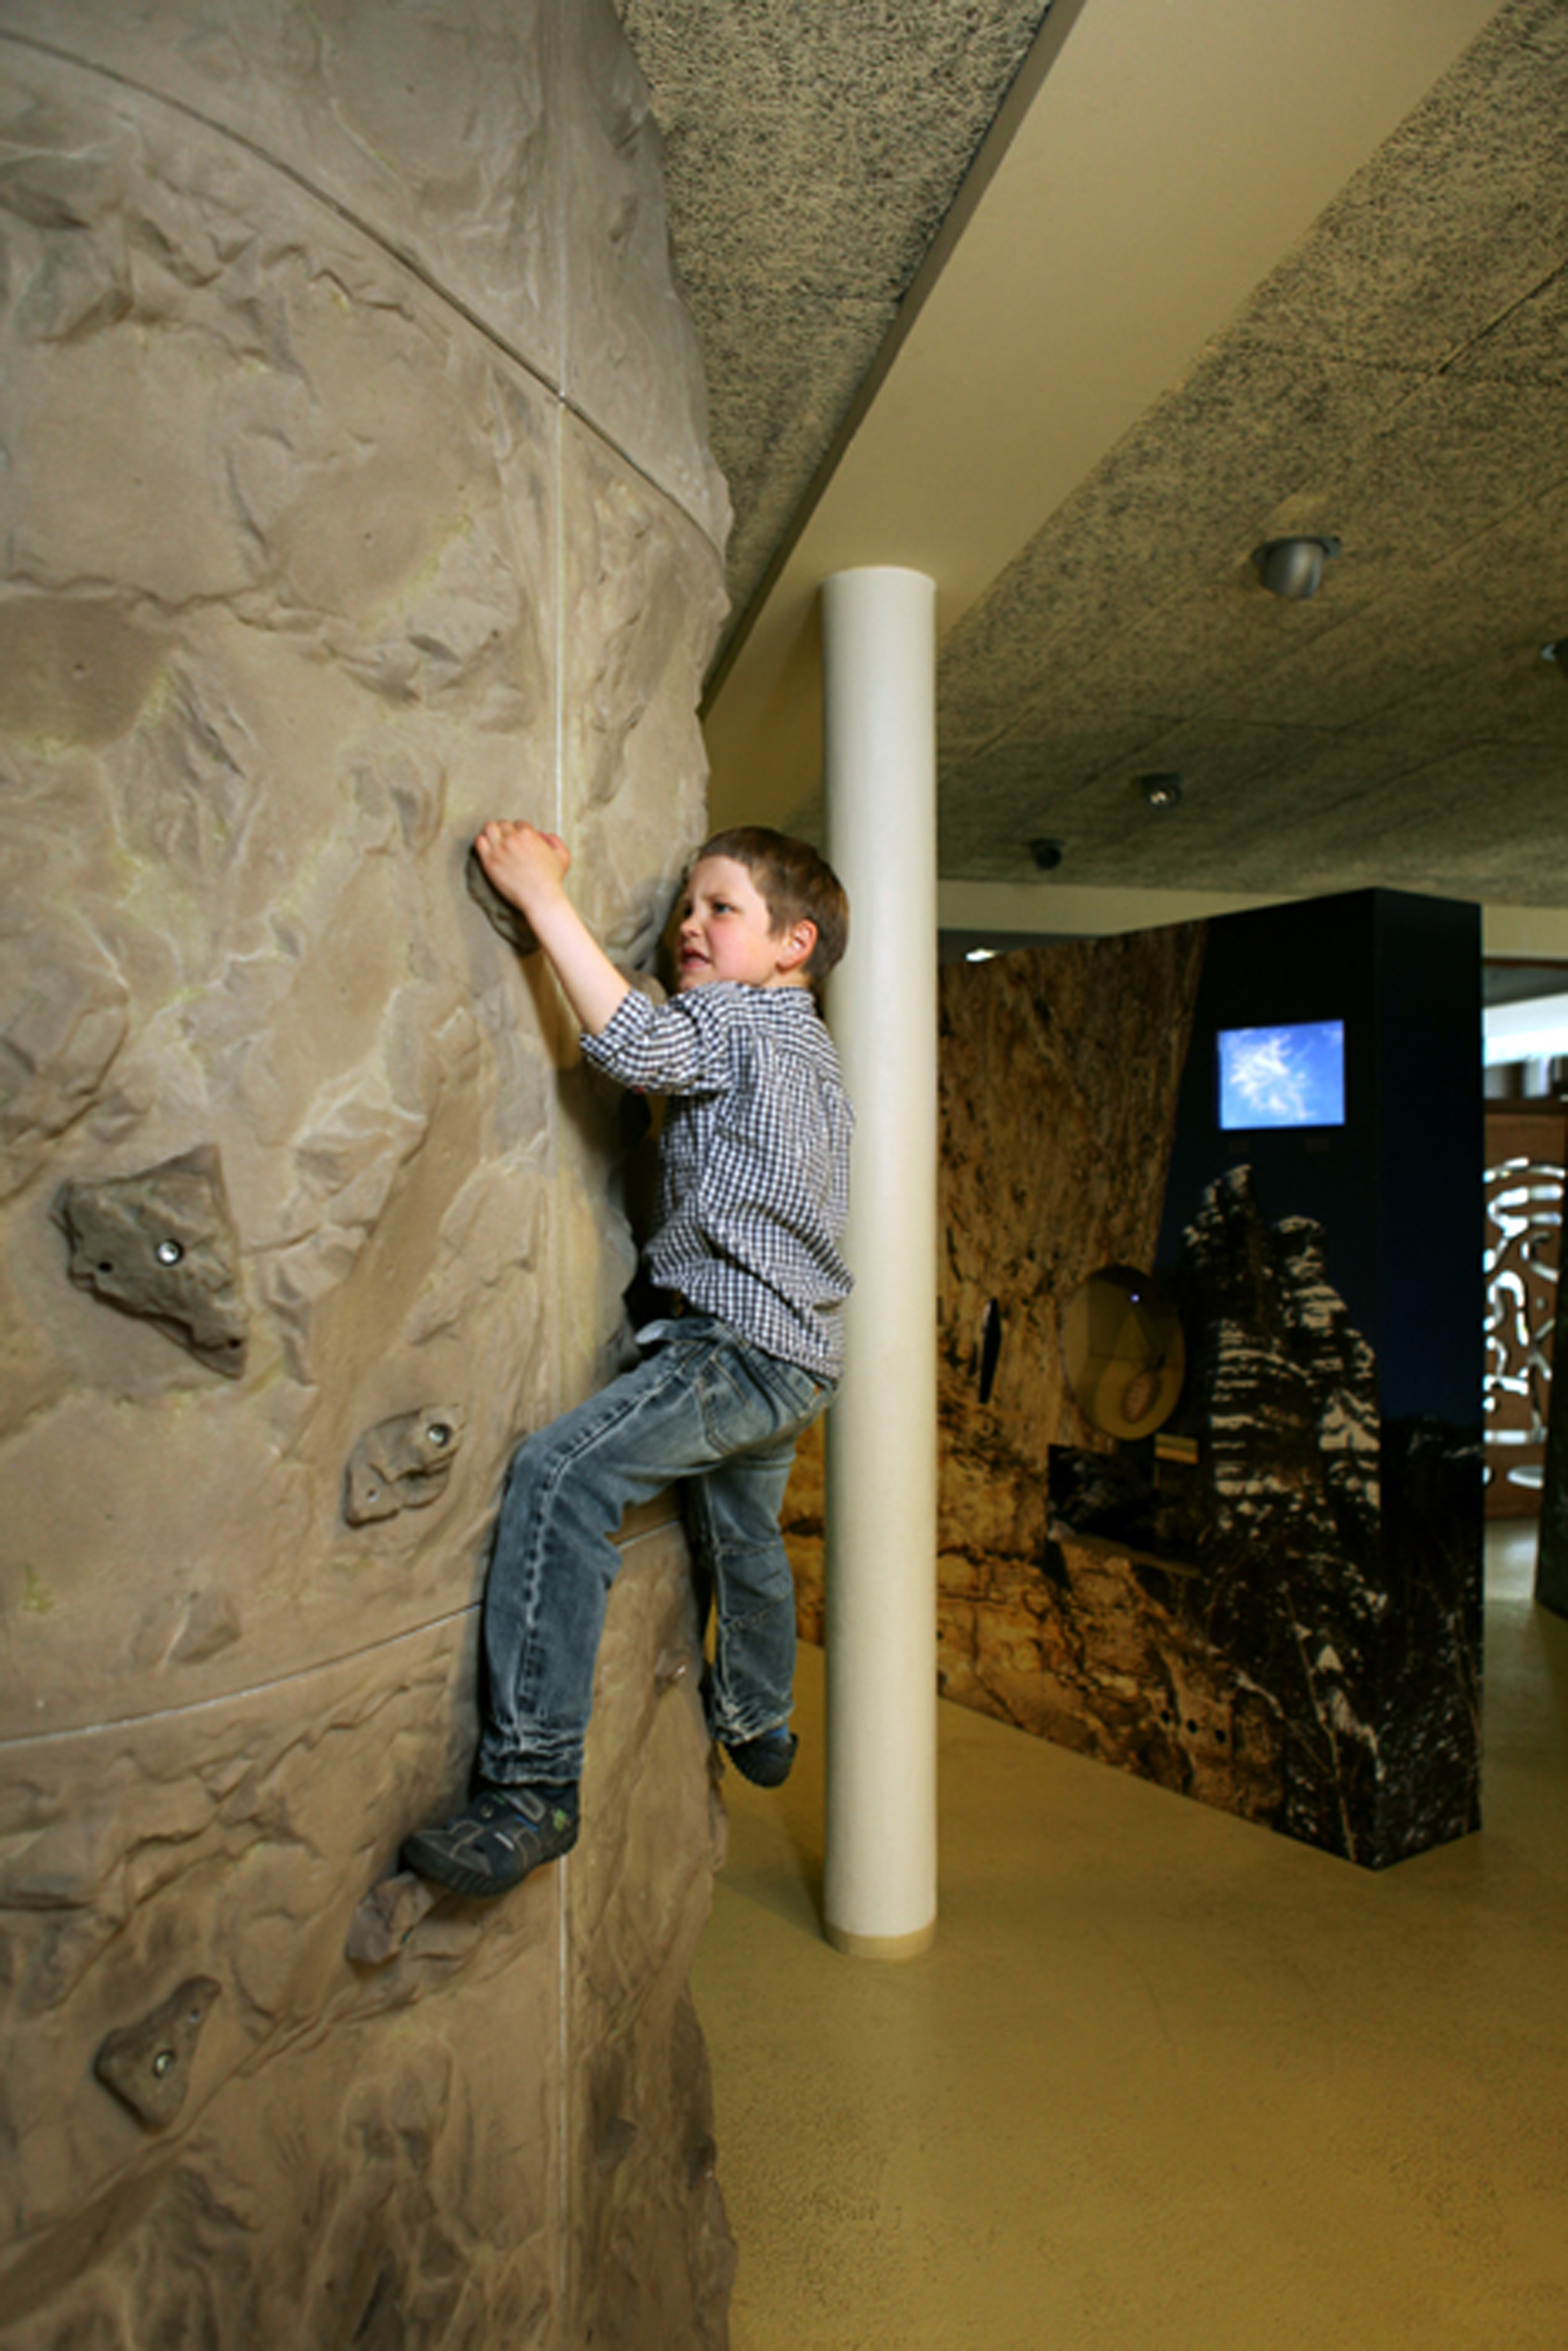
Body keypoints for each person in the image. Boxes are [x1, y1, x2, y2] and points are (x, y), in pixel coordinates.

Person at [401, 820, 853, 1898]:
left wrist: (539, 896)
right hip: (797, 1358)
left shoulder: (739, 1021)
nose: (689, 926)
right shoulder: (804, 1045)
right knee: (740, 1531)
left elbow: (639, 1049)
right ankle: (758, 1716)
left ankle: (529, 1792)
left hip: (736, 1349)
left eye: (720, 909)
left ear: (792, 945)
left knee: (563, 1476)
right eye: (686, 907)